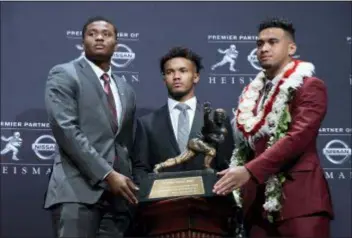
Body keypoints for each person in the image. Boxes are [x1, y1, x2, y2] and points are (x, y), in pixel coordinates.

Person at [213, 17, 334, 238]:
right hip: (257, 210)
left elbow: (297, 138)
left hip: (300, 203)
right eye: (259, 44)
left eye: (272, 42)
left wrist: (249, 171)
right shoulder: (252, 93)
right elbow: (246, 147)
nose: (264, 48)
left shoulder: (309, 86)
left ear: (291, 48)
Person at [43, 16, 145, 238]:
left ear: (116, 44)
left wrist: (128, 183)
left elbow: (123, 144)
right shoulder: (64, 74)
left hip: (118, 200)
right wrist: (107, 174)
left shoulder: (125, 89)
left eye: (106, 34)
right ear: (82, 42)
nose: (99, 37)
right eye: (92, 33)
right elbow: (66, 131)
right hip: (76, 193)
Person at [131, 46, 234, 174]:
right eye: (169, 72)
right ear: (164, 79)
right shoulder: (147, 124)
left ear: (196, 76)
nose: (176, 76)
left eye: (183, 71)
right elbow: (140, 170)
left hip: (207, 193)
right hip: (163, 193)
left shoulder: (216, 119)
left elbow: (227, 166)